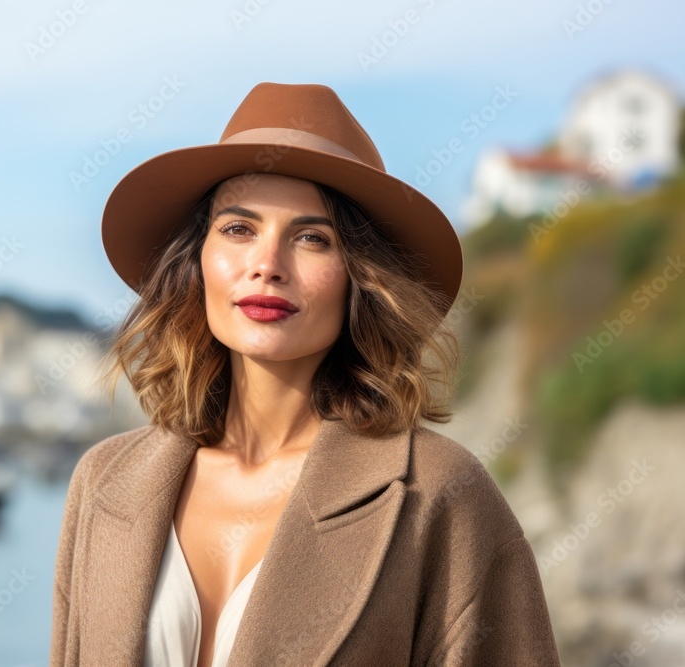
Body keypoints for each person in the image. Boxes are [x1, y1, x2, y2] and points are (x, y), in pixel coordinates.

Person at [49, 82, 562, 667]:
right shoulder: (103, 482)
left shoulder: (438, 493)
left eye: (313, 238)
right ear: (196, 262)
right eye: (238, 229)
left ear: (361, 278)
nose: (267, 266)